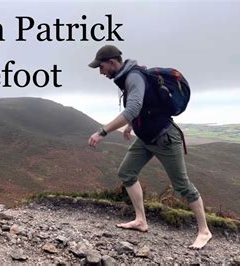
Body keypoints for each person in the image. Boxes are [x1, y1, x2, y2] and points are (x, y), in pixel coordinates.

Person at [87, 45, 212, 249]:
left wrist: (102, 132)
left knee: (182, 186)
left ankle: (204, 231)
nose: (100, 72)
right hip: (146, 138)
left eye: (101, 67)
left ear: (112, 62)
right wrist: (130, 126)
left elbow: (133, 108)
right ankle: (141, 220)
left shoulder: (133, 77)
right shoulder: (127, 78)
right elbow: (144, 107)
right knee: (127, 173)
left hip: (165, 138)